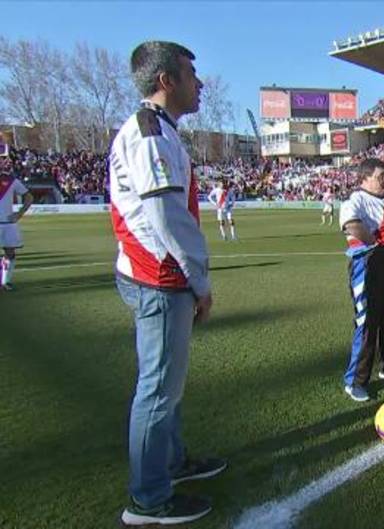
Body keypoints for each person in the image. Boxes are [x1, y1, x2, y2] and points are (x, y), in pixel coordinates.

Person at [110, 41, 224, 526]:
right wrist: (199, 281)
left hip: (155, 274)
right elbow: (166, 217)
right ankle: (148, 501)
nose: (200, 84)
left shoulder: (159, 131)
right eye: (191, 75)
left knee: (165, 387)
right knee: (157, 390)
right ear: (166, 81)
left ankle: (172, 466)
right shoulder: (151, 135)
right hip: (160, 277)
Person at [339, 158, 384, 402]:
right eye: (381, 176)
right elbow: (352, 226)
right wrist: (380, 242)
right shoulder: (355, 200)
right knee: (367, 321)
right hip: (366, 264)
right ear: (365, 177)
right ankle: (356, 381)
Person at [0, 168, 34, 291]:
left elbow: (29, 197)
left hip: (8, 223)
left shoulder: (10, 180)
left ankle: (5, 282)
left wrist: (19, 214)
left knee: (10, 254)